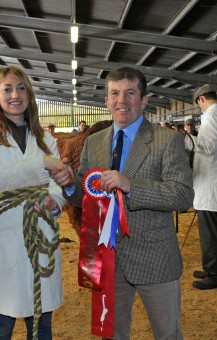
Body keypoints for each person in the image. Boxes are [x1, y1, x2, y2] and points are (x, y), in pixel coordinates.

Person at [50, 67, 194, 339]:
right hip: (106, 258)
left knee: (168, 334)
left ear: (144, 99)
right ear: (106, 101)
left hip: (155, 258)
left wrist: (131, 186)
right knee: (112, 334)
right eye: (114, 93)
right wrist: (70, 184)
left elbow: (183, 194)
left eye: (130, 93)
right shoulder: (93, 143)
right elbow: (86, 194)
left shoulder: (167, 139)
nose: (122, 100)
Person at [0, 65, 66, 339]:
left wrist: (53, 202)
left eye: (21, 88)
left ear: (30, 94)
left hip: (40, 238)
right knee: (0, 329)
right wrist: (42, 163)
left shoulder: (46, 139)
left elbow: (57, 185)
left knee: (41, 328)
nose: (15, 95)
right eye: (8, 88)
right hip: (3, 242)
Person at [185, 84, 217, 290]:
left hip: (210, 187)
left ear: (201, 100)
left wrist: (186, 140)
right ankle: (210, 268)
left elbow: (208, 146)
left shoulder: (212, 115)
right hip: (208, 185)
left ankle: (213, 274)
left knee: (210, 234)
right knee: (211, 232)